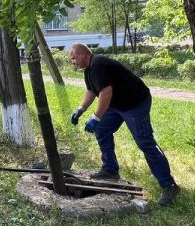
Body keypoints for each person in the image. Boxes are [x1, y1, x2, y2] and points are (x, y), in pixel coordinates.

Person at [68, 43, 180, 206]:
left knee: (145, 142)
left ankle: (169, 185)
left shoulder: (98, 64)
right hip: (116, 104)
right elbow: (92, 90)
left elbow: (106, 92)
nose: (72, 62)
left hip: (135, 103)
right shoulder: (88, 68)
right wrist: (81, 108)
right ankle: (110, 170)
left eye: (73, 58)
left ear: (83, 54)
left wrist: (96, 117)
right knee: (102, 131)